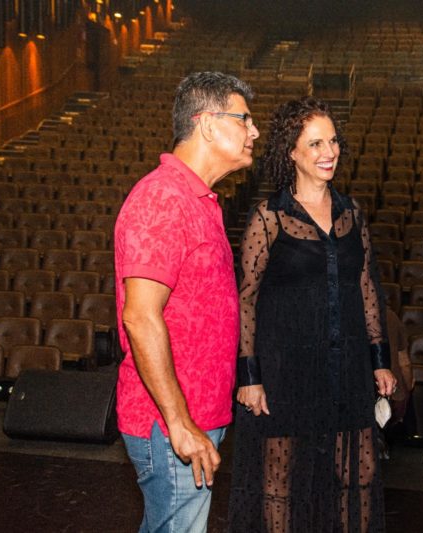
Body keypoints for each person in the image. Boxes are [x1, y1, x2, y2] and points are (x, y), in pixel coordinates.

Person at [228, 96, 397, 533]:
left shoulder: (352, 214)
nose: (329, 152)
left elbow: (366, 287)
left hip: (346, 367)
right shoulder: (269, 218)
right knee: (280, 478)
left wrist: (380, 361)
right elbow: (245, 298)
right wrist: (249, 377)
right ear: (292, 153)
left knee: (359, 472)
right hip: (285, 371)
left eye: (334, 141)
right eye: (316, 144)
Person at [114, 72, 259, 533]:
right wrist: (179, 423)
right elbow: (139, 317)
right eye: (244, 119)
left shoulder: (198, 199)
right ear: (209, 124)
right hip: (171, 422)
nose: (254, 131)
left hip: (194, 416)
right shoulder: (163, 197)